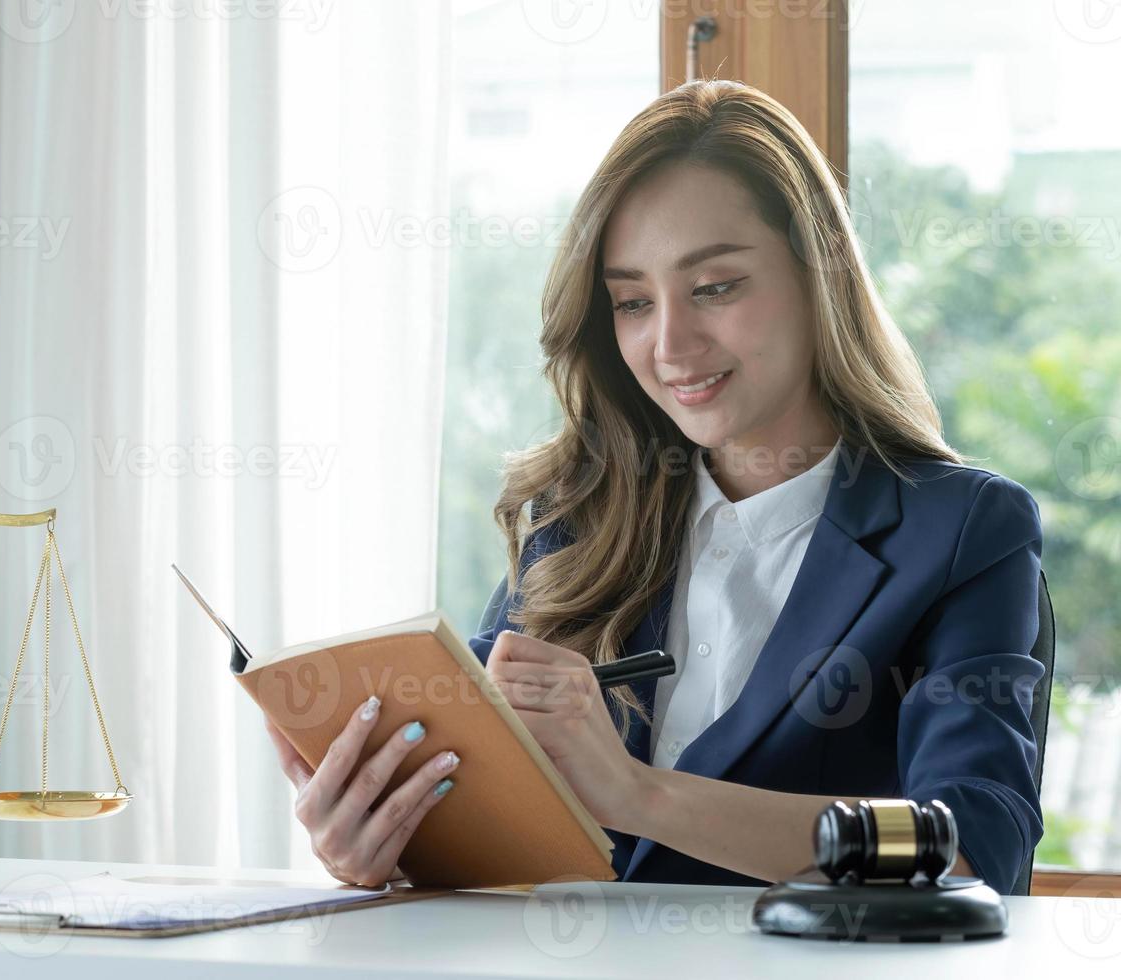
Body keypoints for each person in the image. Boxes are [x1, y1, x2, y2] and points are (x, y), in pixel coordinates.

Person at [263, 79, 1045, 895]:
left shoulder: (959, 530)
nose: (669, 344)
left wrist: (642, 796)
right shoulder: (575, 522)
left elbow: (966, 844)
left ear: (821, 279)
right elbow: (493, 837)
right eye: (633, 301)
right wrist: (380, 849)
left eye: (715, 287)